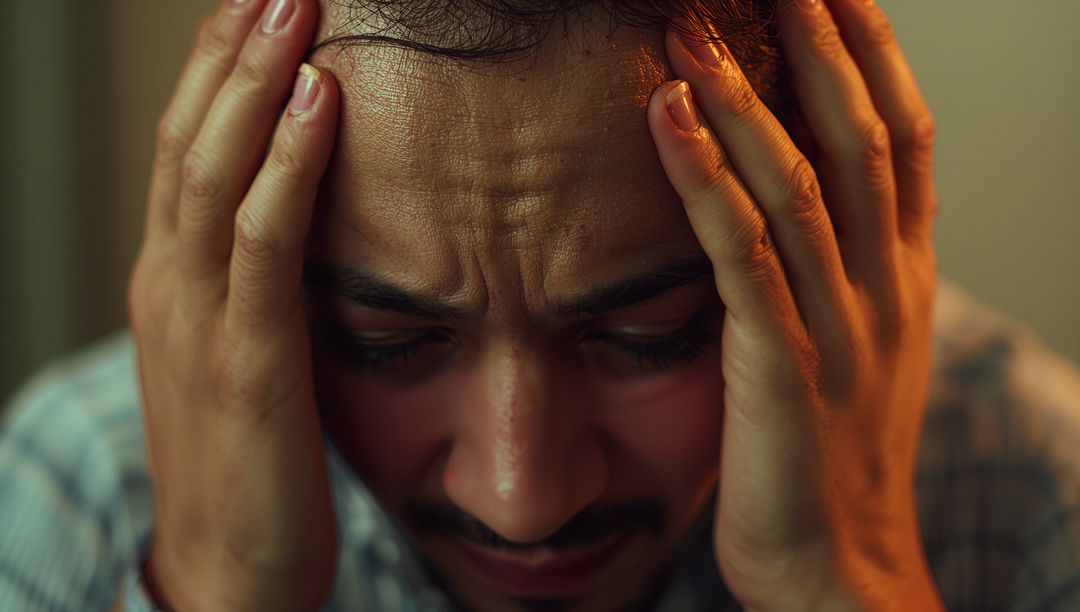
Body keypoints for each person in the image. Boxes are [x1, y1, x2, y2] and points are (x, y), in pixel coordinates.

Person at [1, 0, 1078, 610]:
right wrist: (210, 592)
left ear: (824, 229)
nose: (524, 499)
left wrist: (856, 582)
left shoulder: (1029, 490)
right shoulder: (83, 496)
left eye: (647, 337)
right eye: (386, 343)